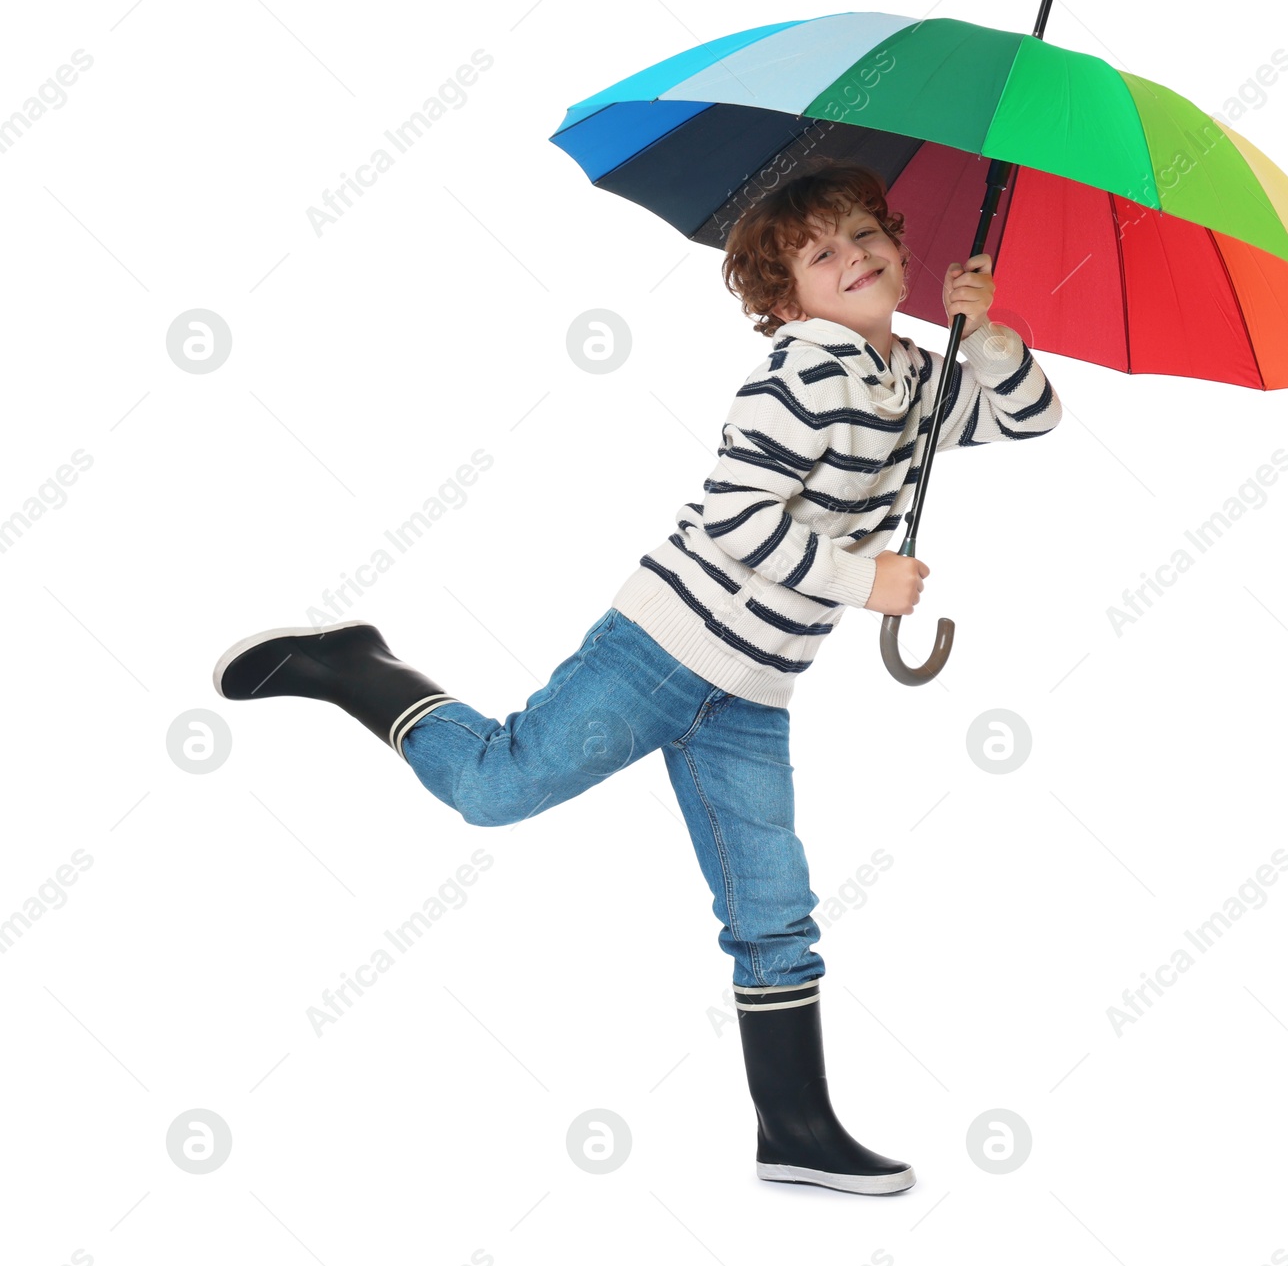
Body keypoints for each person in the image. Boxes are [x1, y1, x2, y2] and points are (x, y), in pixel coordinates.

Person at [212, 158, 1061, 1195]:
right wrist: (859, 579)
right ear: (782, 297)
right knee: (492, 788)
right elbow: (733, 521)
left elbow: (1024, 417)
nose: (854, 258)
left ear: (900, 247)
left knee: (773, 906)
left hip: (754, 690)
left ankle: (793, 1129)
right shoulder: (801, 371)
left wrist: (990, 333)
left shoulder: (913, 374)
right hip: (665, 651)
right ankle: (358, 668)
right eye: (820, 253)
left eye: (865, 236)